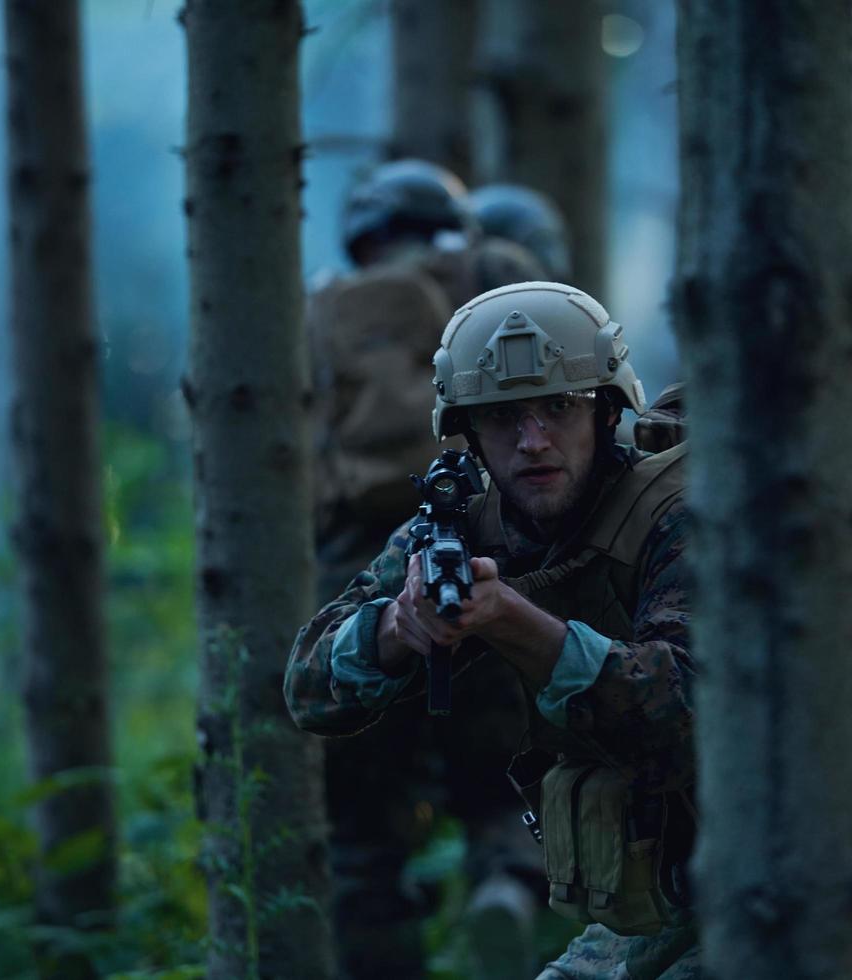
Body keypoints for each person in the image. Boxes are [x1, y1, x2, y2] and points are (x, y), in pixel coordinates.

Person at [286, 281, 852, 978]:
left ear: (607, 411)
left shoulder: (688, 515)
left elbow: (684, 704)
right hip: (656, 916)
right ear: (470, 433)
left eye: (559, 407)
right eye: (504, 417)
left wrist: (511, 621)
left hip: (799, 892)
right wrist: (397, 628)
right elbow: (308, 687)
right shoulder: (465, 528)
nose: (534, 440)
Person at [308, 160, 548, 980]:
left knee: (363, 839)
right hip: (486, 551)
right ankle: (505, 893)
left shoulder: (313, 305)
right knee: (504, 788)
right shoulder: (492, 272)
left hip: (356, 584)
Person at [468, 184, 573, 282]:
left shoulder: (471, 213)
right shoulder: (476, 206)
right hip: (538, 221)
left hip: (534, 228)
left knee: (548, 277)